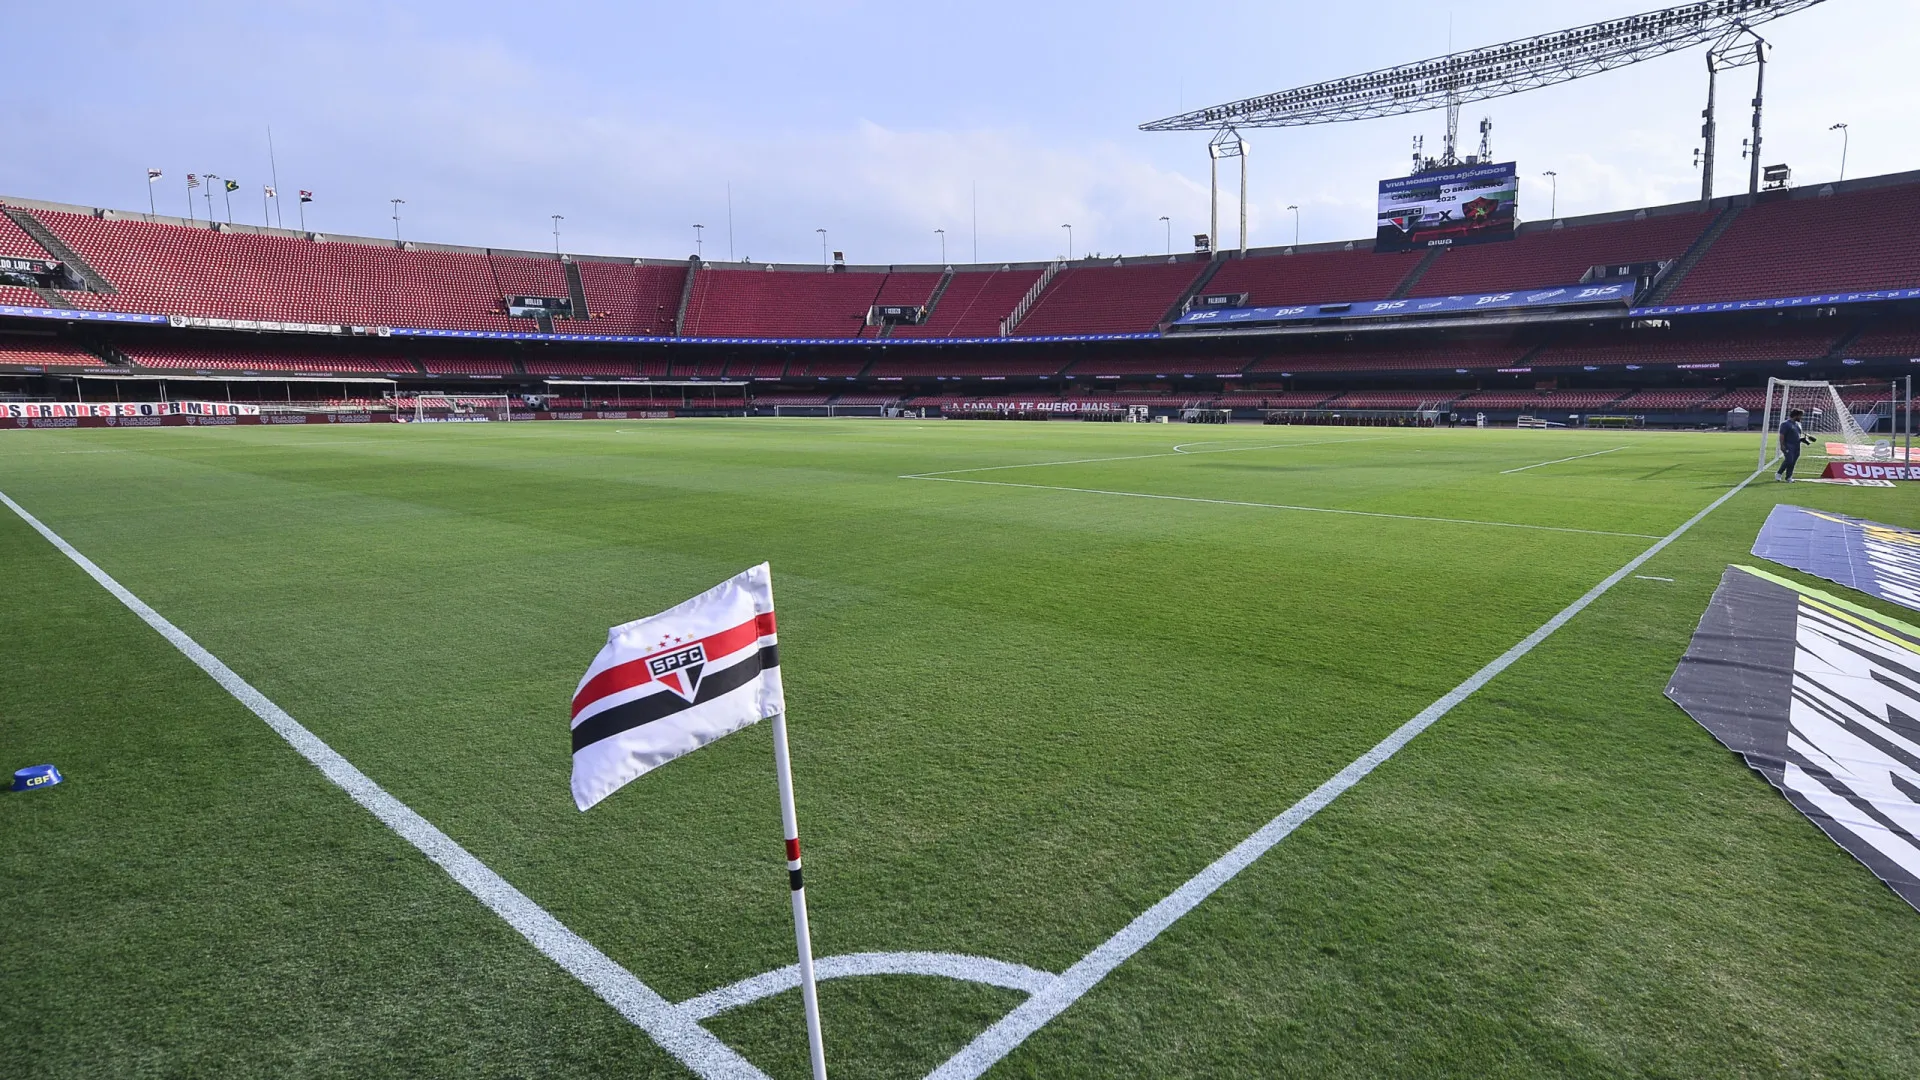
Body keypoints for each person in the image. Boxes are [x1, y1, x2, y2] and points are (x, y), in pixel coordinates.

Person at [1777, 408, 1815, 481]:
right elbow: (1782, 435)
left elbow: (1798, 435)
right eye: (1800, 416)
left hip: (1797, 446)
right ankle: (1779, 473)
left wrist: (1804, 440)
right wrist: (1782, 445)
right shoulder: (1785, 424)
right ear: (1796, 415)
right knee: (1789, 460)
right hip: (1788, 445)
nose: (1801, 418)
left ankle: (1789, 477)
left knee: (1793, 462)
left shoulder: (1798, 424)